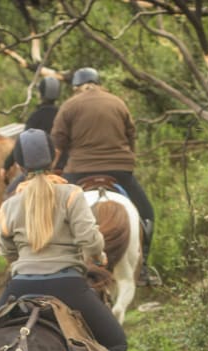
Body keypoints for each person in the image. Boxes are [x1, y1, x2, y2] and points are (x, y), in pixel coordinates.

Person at [0, 129, 131, 351]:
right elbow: (89, 239)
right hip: (69, 286)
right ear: (53, 157)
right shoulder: (71, 194)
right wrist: (97, 252)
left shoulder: (10, 204)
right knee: (116, 342)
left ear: (19, 164)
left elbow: (6, 251)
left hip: (20, 287)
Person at [51, 67, 159, 287]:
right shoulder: (118, 103)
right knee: (147, 212)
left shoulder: (70, 105)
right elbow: (131, 135)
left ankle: (55, 264)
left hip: (80, 169)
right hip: (119, 171)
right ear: (98, 83)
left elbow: (58, 143)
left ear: (75, 88)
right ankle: (144, 266)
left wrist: (53, 170)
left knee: (56, 214)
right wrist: (129, 160)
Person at [4, 75, 68, 192]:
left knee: (9, 192)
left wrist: (6, 166)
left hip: (41, 170)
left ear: (41, 94)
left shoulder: (35, 116)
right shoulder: (63, 114)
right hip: (65, 168)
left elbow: (23, 144)